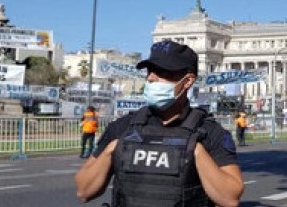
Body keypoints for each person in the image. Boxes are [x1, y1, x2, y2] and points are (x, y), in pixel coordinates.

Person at [74, 40, 243, 207]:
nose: (151, 78)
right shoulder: (123, 128)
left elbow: (230, 198)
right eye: (150, 71)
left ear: (188, 81)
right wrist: (111, 149)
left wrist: (195, 151)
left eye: (162, 72)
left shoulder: (209, 132)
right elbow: (84, 191)